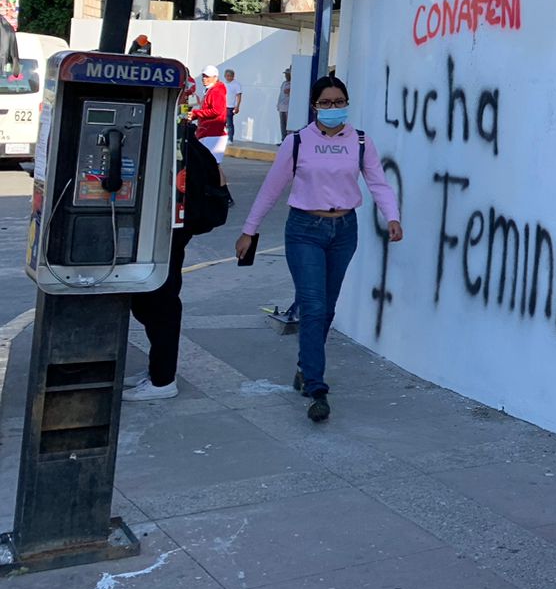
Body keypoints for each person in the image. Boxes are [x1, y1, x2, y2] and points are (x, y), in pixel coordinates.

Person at [236, 75, 402, 423]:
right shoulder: (297, 142)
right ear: (314, 106)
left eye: (339, 101)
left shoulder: (358, 141)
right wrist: (249, 230)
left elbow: (377, 181)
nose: (332, 108)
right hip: (304, 230)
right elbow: (271, 189)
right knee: (312, 305)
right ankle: (316, 386)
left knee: (326, 308)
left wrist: (392, 216)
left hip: (344, 231)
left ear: (347, 103)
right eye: (325, 103)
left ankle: (304, 366)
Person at [126, 125, 229, 401]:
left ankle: (163, 379)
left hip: (166, 231)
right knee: (149, 300)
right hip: (167, 230)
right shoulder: (182, 138)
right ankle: (157, 370)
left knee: (160, 302)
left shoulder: (176, 142)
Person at [189, 66, 230, 157]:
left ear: (215, 77)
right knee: (209, 164)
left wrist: (196, 113)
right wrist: (194, 115)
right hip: (208, 132)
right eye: (203, 76)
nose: (204, 78)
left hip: (214, 133)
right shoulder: (210, 90)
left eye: (207, 76)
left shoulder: (216, 91)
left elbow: (216, 111)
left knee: (211, 164)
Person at [224, 68, 243, 140]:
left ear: (233, 76)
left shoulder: (236, 85)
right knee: (222, 123)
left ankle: (230, 138)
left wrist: (237, 106)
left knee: (229, 123)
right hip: (223, 106)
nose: (228, 77)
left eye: (230, 76)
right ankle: (223, 138)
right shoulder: (223, 84)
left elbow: (239, 96)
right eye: (227, 76)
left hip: (231, 107)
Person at [277, 68, 292, 140]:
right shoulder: (284, 83)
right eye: (286, 74)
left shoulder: (293, 84)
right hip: (281, 107)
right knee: (282, 125)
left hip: (288, 108)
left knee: (288, 126)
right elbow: (281, 95)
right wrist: (278, 104)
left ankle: (288, 141)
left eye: (287, 74)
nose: (286, 76)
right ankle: (283, 140)